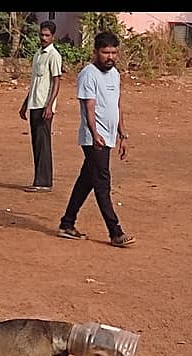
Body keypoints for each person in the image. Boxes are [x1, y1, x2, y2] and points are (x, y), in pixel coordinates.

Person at [57, 31, 135, 248]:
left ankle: (67, 223)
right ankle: (115, 232)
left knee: (87, 180)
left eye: (113, 52)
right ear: (96, 52)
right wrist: (95, 133)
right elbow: (88, 106)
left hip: (109, 136)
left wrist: (122, 134)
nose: (110, 56)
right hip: (94, 139)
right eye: (105, 52)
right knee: (102, 183)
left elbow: (116, 105)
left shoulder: (115, 74)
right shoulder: (88, 74)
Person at [19, 20, 62, 193]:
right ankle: (39, 180)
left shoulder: (54, 56)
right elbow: (35, 83)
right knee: (36, 143)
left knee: (43, 143)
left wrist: (50, 105)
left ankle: (44, 182)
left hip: (45, 105)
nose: (43, 38)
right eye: (42, 35)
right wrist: (25, 104)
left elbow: (57, 81)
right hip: (34, 104)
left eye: (47, 35)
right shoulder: (38, 54)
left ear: (53, 37)